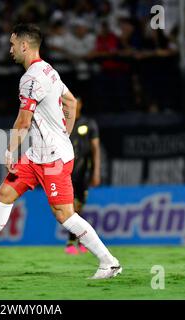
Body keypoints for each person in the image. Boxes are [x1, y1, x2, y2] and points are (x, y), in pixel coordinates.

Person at [0, 23, 121, 279]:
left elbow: (23, 121)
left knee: (64, 215)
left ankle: (109, 261)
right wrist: (65, 133)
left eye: (12, 44)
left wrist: (9, 151)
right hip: (38, 155)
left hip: (52, 159)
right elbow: (70, 101)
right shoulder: (48, 70)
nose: (10, 49)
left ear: (24, 45)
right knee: (4, 194)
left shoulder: (31, 78)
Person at [65, 97, 101, 255]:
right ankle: (72, 241)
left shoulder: (89, 124)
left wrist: (96, 171)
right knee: (72, 207)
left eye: (76, 101)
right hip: (68, 172)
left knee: (79, 207)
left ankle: (77, 240)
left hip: (84, 172)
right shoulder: (63, 123)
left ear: (80, 104)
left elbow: (95, 149)